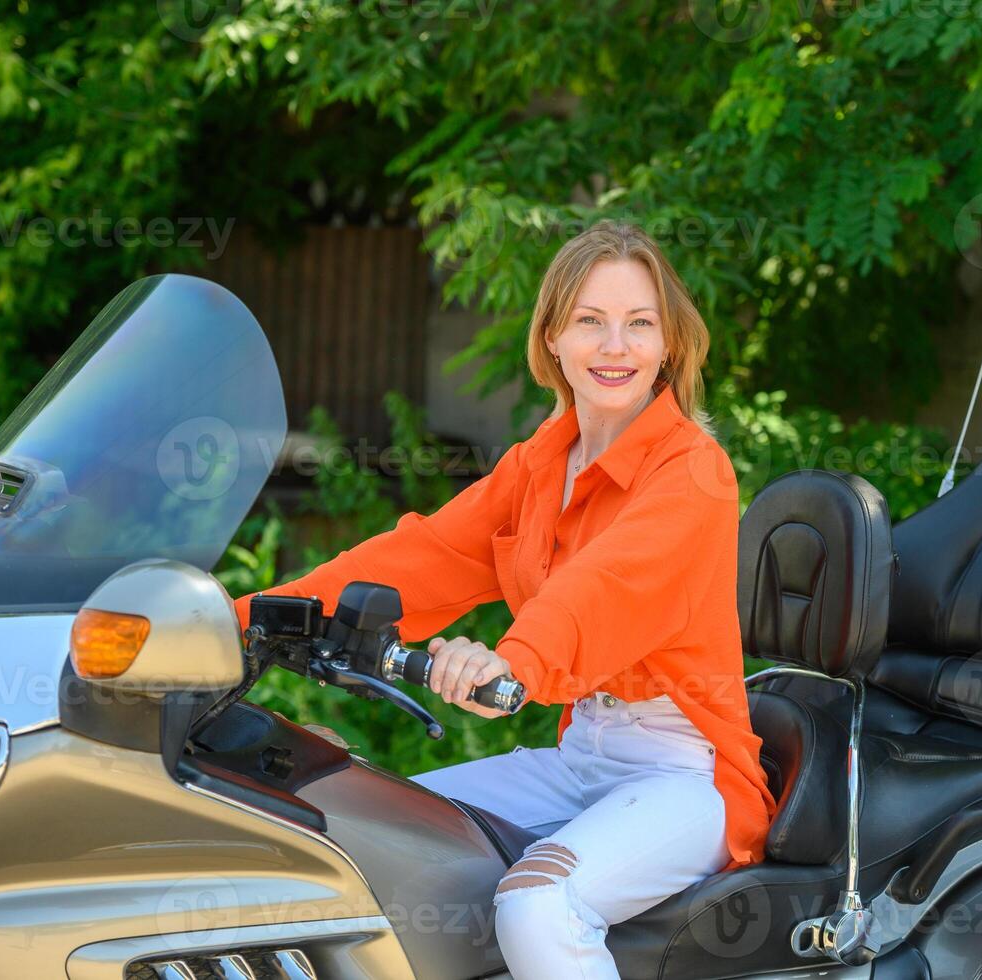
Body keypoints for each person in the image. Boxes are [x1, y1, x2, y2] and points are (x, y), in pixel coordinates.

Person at [234, 219, 777, 978]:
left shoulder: (691, 471)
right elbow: (422, 557)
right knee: (366, 840)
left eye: (638, 324)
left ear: (669, 344)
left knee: (540, 905)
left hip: (683, 773)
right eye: (590, 321)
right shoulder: (538, 465)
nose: (615, 346)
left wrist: (514, 665)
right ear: (552, 337)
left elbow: (604, 588)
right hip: (581, 752)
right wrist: (237, 624)